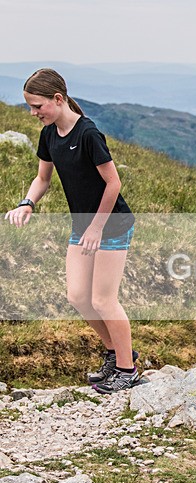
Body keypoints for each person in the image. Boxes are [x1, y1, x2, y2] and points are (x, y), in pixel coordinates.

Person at [4, 68, 139, 394]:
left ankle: (127, 369)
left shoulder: (88, 134)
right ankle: (115, 353)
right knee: (78, 297)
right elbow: (43, 179)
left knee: (103, 300)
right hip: (83, 226)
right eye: (30, 107)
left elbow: (113, 183)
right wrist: (27, 203)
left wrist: (96, 226)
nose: (33, 113)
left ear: (58, 99)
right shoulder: (49, 134)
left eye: (37, 106)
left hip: (112, 223)